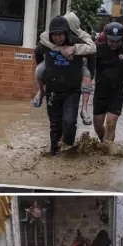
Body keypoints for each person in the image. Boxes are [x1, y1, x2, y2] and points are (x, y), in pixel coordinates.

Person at [35, 16, 88, 155]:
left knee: (70, 122)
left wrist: (89, 74)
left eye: (61, 34)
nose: (58, 38)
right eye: (55, 34)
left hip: (72, 91)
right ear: (50, 34)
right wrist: (42, 67)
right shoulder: (45, 44)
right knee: (55, 125)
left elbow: (92, 53)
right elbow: (37, 52)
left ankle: (68, 149)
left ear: (66, 33)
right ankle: (54, 152)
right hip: (52, 91)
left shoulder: (76, 42)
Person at [33, 12, 95, 125]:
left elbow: (92, 49)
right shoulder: (50, 35)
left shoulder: (82, 35)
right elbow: (42, 38)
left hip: (77, 68)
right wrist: (58, 48)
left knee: (87, 77)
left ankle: (84, 109)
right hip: (52, 67)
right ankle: (40, 91)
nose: (59, 36)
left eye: (63, 32)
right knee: (39, 70)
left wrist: (75, 48)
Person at [92, 22, 123, 150]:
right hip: (100, 92)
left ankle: (107, 156)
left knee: (111, 122)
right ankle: (103, 141)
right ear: (106, 38)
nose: (113, 44)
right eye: (111, 41)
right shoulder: (98, 50)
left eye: (117, 41)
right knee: (97, 124)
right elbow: (87, 68)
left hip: (117, 92)